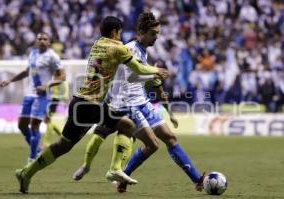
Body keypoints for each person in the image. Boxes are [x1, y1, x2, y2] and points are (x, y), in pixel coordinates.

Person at [14, 16, 169, 194]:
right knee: (128, 125)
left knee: (63, 145)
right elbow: (139, 68)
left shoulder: (96, 44)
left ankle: (26, 172)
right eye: (119, 33)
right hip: (91, 104)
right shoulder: (118, 48)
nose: (120, 36)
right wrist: (157, 70)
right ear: (114, 32)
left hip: (78, 102)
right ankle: (116, 168)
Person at [73, 12, 205, 193]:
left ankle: (197, 180)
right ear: (141, 32)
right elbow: (131, 76)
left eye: (158, 33)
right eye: (153, 33)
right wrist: (154, 72)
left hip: (142, 101)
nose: (156, 37)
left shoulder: (143, 50)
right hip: (127, 103)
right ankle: (118, 173)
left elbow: (142, 78)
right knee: (151, 145)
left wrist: (159, 91)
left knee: (170, 138)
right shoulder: (131, 49)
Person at [0, 32, 65, 163]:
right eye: (39, 38)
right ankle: (38, 150)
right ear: (36, 41)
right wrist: (10, 81)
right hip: (29, 95)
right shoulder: (33, 54)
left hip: (41, 96)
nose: (42, 41)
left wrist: (46, 86)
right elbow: (26, 72)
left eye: (45, 39)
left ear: (49, 42)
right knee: (22, 125)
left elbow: (62, 77)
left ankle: (32, 158)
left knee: (35, 126)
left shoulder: (52, 57)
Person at [42, 81, 69, 147]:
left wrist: (65, 100)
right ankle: (63, 137)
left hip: (52, 103)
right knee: (50, 122)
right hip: (51, 102)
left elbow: (64, 92)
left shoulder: (59, 81)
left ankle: (46, 141)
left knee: (49, 122)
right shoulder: (56, 81)